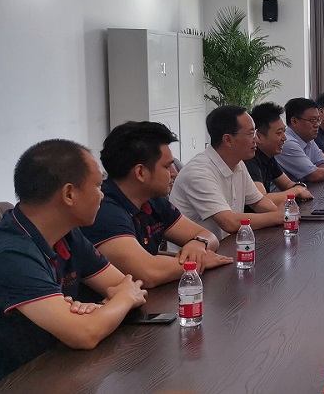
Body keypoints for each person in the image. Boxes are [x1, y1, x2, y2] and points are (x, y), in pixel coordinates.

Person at [0, 140, 147, 390]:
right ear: (69, 194)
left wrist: (98, 309)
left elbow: (123, 284)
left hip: (53, 368)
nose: (102, 194)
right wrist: (121, 300)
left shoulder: (67, 234)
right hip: (4, 384)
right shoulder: (7, 253)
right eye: (97, 186)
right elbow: (86, 333)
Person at [83, 122, 231, 291]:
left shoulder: (153, 200)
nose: (174, 172)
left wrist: (198, 243)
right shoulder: (104, 210)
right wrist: (198, 261)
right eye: (167, 166)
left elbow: (207, 236)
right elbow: (147, 273)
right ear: (140, 173)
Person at [170, 105, 283, 237]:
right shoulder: (198, 173)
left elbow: (258, 202)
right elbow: (229, 222)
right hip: (199, 249)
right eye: (251, 134)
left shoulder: (238, 164)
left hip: (230, 244)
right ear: (228, 140)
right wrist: (276, 217)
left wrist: (281, 213)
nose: (256, 139)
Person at [246, 102, 314, 205]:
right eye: (279, 133)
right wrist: (297, 191)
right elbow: (262, 199)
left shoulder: (268, 156)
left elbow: (287, 184)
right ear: (258, 137)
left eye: (284, 132)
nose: (284, 138)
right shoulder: (250, 159)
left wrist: (298, 188)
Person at [276, 98, 324, 182]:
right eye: (312, 120)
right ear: (294, 121)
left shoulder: (308, 139)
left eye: (318, 120)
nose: (317, 125)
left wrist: (319, 172)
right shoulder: (287, 142)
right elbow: (315, 176)